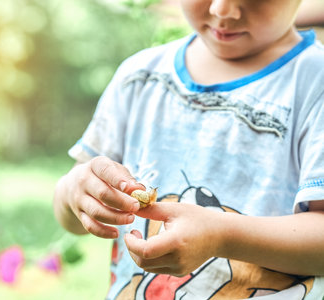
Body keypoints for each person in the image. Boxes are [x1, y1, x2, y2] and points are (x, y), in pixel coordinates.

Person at [53, 0, 324, 299]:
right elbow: (72, 213)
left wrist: (224, 236)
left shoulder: (315, 84)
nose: (222, 10)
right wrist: (72, 193)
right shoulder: (139, 76)